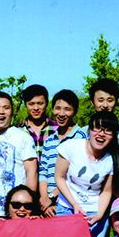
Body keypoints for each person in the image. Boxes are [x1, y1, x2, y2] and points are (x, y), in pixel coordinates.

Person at [54, 111, 119, 237]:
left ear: (114, 135)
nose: (101, 134)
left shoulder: (112, 159)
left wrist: (99, 215)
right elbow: (59, 177)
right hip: (67, 208)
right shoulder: (71, 146)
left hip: (94, 213)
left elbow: (106, 191)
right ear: (89, 130)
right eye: (97, 128)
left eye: (108, 131)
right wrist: (74, 204)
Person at [0, 91, 37, 220]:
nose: (1, 112)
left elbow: (32, 172)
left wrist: (29, 206)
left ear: (12, 112)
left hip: (16, 211)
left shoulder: (23, 138)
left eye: (6, 108)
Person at [38, 89, 87, 217]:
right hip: (48, 205)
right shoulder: (49, 140)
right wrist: (44, 197)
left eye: (67, 109)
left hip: (69, 202)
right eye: (57, 108)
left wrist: (52, 197)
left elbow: (76, 175)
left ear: (75, 111)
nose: (61, 113)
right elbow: (43, 172)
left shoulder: (81, 138)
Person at [17, 84, 57, 160]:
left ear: (47, 103)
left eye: (40, 103)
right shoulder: (18, 130)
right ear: (25, 104)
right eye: (31, 104)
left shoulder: (57, 129)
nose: (36, 108)